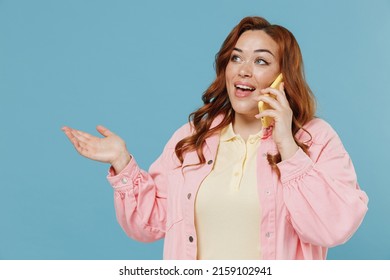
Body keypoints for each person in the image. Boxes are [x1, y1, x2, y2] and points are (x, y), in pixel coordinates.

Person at [62, 16, 368, 260]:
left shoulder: (316, 139)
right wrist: (122, 163)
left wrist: (287, 144)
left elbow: (333, 228)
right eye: (236, 59)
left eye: (261, 61)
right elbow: (148, 224)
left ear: (283, 76)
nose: (244, 70)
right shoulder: (193, 139)